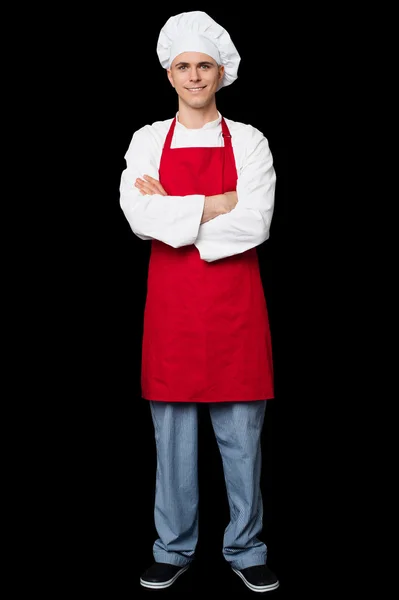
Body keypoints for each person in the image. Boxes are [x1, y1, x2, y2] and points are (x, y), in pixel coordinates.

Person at [119, 10, 279, 593]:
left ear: (221, 72)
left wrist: (178, 209)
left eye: (204, 66)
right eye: (183, 66)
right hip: (172, 311)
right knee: (173, 440)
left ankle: (246, 545)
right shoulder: (146, 140)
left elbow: (255, 222)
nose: (194, 76)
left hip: (236, 311)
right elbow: (139, 216)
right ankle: (173, 546)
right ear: (169, 74)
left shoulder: (250, 140)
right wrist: (217, 202)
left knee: (242, 440)